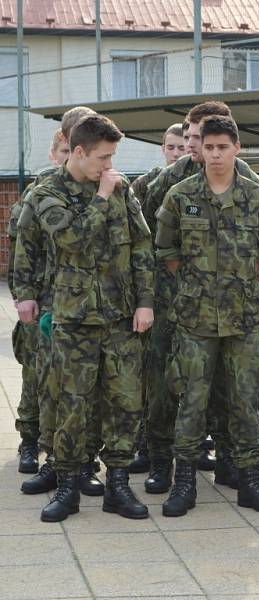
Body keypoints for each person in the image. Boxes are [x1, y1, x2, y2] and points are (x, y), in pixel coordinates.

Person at [155, 115, 259, 517]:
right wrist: (199, 286)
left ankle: (249, 480)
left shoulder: (255, 195)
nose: (215, 154)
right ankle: (184, 482)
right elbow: (167, 252)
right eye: (208, 147)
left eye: (223, 147)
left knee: (245, 399)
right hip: (195, 319)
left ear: (236, 149)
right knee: (191, 399)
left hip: (243, 319)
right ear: (200, 149)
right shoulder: (180, 195)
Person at [32, 114, 155, 522]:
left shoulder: (120, 190)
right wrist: (102, 196)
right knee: (72, 404)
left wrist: (145, 302)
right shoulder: (47, 192)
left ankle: (118, 485)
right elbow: (72, 242)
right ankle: (67, 487)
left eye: (112, 157)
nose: (109, 165)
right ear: (79, 152)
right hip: (75, 320)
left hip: (120, 317)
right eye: (103, 157)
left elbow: (141, 246)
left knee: (124, 403)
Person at [15, 108, 108, 499]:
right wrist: (24, 295)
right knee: (52, 387)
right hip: (53, 302)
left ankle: (85, 462)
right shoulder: (45, 190)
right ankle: (55, 462)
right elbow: (25, 247)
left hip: (94, 306)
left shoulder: (106, 186)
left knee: (89, 391)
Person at [8, 129, 71, 475]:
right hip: (43, 300)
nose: (67, 157)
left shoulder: (97, 190)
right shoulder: (36, 194)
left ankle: (71, 451)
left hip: (76, 303)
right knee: (35, 376)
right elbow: (19, 249)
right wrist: (23, 296)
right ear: (53, 154)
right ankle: (30, 440)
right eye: (62, 150)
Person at [128, 122, 188, 475]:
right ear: (162, 149)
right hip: (159, 294)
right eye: (171, 147)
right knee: (155, 374)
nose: (177, 152)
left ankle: (195, 443)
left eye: (182, 146)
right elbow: (139, 240)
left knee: (195, 374)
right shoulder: (147, 184)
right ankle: (149, 445)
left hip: (194, 295)